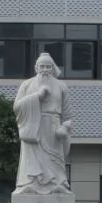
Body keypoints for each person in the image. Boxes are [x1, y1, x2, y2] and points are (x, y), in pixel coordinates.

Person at [13, 52, 74, 195]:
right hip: (33, 126)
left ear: (53, 69)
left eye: (48, 67)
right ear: (36, 68)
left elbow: (68, 115)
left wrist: (64, 127)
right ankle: (30, 183)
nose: (45, 70)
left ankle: (58, 184)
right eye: (42, 66)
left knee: (55, 161)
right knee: (32, 160)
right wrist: (38, 96)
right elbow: (16, 107)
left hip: (53, 128)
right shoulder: (26, 85)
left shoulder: (61, 86)